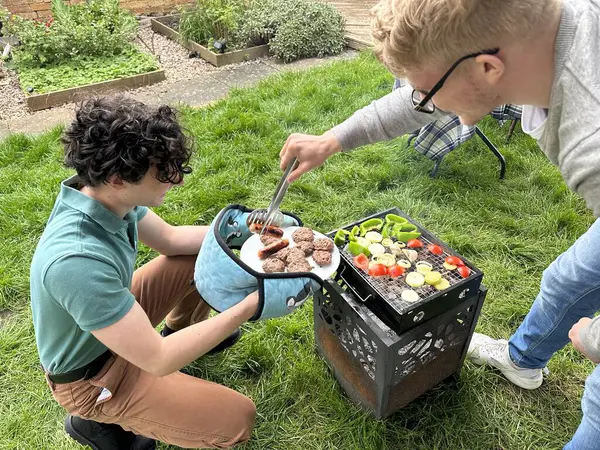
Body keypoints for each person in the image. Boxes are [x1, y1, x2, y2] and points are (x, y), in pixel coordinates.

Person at [278, 0, 600, 448]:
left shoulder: (592, 139)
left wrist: (595, 337)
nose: (423, 104)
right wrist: (333, 140)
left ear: (488, 68)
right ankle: (522, 361)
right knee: (571, 280)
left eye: (426, 91)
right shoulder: (555, 30)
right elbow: (418, 103)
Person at [30, 96, 257, 450]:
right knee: (238, 418)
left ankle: (184, 330)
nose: (176, 179)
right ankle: (93, 419)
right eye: (163, 171)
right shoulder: (76, 261)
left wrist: (245, 231)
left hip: (113, 328)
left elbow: (171, 239)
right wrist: (252, 304)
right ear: (119, 178)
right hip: (93, 376)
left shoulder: (104, 195)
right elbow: (158, 358)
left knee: (202, 255)